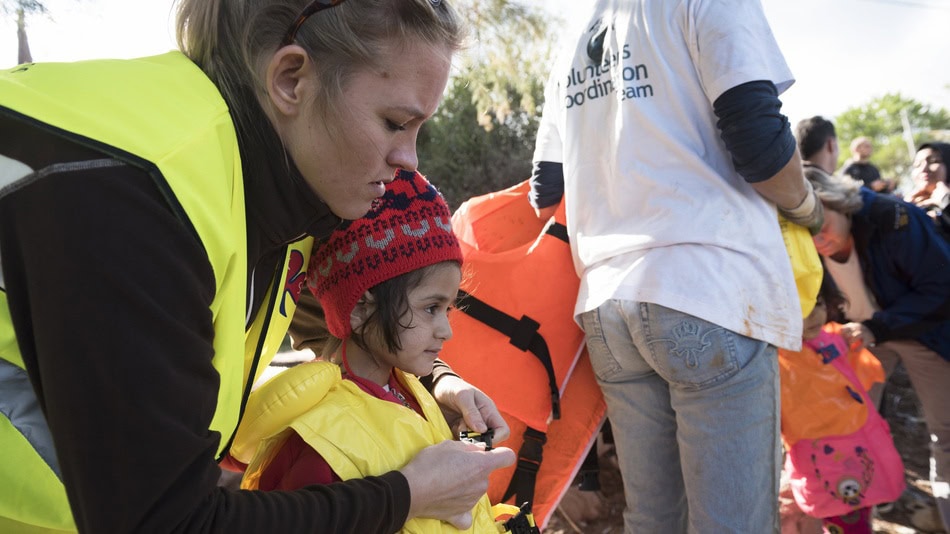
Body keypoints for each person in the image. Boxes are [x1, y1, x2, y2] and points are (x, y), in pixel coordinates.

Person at [0, 0, 515, 532]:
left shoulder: (275, 191)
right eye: (394, 122)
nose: (410, 159)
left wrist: (438, 382)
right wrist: (405, 495)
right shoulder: (134, 192)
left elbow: (348, 322)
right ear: (291, 80)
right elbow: (171, 522)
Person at [528, 0, 824, 531]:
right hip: (707, 289)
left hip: (607, 303)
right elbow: (761, 148)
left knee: (654, 520)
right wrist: (809, 207)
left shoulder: (575, 34)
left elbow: (545, 191)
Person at [231, 170, 506, 532]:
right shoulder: (322, 439)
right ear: (360, 309)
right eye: (430, 308)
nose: (447, 330)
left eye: (449, 309)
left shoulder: (409, 391)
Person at [805, 167, 950, 532]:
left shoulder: (892, 218)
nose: (816, 236)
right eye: (804, 229)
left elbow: (941, 287)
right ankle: (860, 515)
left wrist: (876, 327)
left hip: (926, 329)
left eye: (820, 220)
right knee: (844, 429)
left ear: (838, 202)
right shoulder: (804, 243)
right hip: (860, 336)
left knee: (946, 433)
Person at [778, 270, 900, 534]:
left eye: (817, 304)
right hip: (817, 455)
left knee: (855, 513)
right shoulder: (778, 357)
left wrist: (851, 342)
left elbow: (862, 378)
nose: (812, 316)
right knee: (833, 516)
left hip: (857, 446)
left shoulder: (832, 339)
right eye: (801, 309)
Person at [904, 142, 950, 223]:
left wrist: (946, 201)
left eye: (933, 161)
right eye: (917, 165)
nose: (923, 169)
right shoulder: (910, 206)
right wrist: (905, 210)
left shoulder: (946, 202)